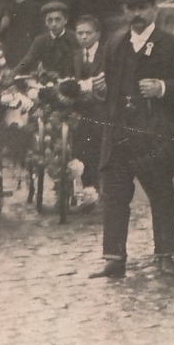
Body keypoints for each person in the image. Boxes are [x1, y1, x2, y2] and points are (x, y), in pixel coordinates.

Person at [89, 0, 174, 279]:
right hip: (119, 133)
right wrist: (100, 90)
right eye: (130, 8)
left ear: (155, 8)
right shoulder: (113, 44)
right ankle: (114, 258)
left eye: (142, 7)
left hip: (154, 135)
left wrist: (163, 88)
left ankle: (165, 255)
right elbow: (107, 91)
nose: (136, 14)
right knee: (114, 194)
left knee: (161, 194)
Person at [68, 14, 107, 204]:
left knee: (97, 145)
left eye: (88, 33)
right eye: (80, 33)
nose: (83, 37)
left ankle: (97, 187)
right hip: (81, 109)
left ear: (98, 35)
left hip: (101, 107)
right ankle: (85, 189)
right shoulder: (75, 56)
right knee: (79, 145)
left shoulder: (106, 54)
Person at [12, 0, 78, 83]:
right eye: (50, 20)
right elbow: (27, 59)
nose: (54, 24)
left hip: (72, 84)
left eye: (58, 19)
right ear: (46, 22)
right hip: (49, 84)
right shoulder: (40, 40)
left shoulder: (75, 38)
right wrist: (13, 73)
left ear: (65, 20)